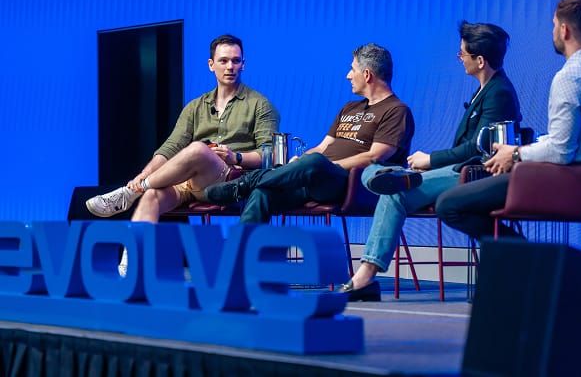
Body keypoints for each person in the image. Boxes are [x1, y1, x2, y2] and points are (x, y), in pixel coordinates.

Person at [343, 21, 522, 302]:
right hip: (460, 169)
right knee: (377, 173)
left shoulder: (498, 92)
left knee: (394, 194)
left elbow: (477, 150)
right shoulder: (485, 90)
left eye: (462, 53)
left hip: (474, 174)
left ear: (480, 60)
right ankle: (390, 175)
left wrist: (430, 160)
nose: (459, 58)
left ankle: (364, 276)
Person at [434, 0, 581, 242]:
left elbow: (561, 151)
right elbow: (577, 140)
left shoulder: (570, 78)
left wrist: (515, 154)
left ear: (564, 29)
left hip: (567, 185)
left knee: (449, 204)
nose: (552, 32)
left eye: (553, 26)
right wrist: (525, 149)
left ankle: (525, 258)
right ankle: (516, 265)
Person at [205, 43, 415, 229]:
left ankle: (245, 182)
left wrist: (325, 165)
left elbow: (373, 157)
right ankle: (240, 261)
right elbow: (322, 147)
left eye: (352, 70)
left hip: (349, 184)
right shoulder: (349, 108)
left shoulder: (396, 111)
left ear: (367, 75)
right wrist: (301, 163)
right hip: (314, 178)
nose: (348, 75)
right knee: (263, 194)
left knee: (315, 161)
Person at [86, 34, 280, 223]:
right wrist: (141, 176)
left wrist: (236, 157)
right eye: (223, 61)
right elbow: (171, 146)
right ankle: (134, 254)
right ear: (211, 65)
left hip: (231, 181)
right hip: (190, 183)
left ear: (243, 64)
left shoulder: (260, 105)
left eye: (236, 61)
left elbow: (269, 155)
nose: (230, 67)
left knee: (198, 149)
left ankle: (130, 193)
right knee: (152, 196)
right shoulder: (195, 106)